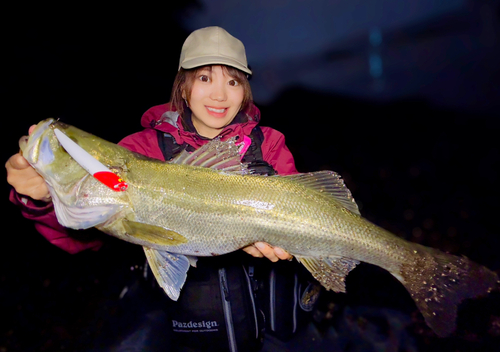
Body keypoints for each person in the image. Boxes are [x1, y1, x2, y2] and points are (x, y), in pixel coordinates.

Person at [6, 26, 319, 351]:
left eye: (233, 81)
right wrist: (42, 198)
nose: (220, 95)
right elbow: (85, 231)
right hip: (186, 330)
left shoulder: (268, 144)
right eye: (204, 78)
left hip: (262, 325)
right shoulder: (138, 151)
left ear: (245, 91)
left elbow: (297, 206)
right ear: (183, 88)